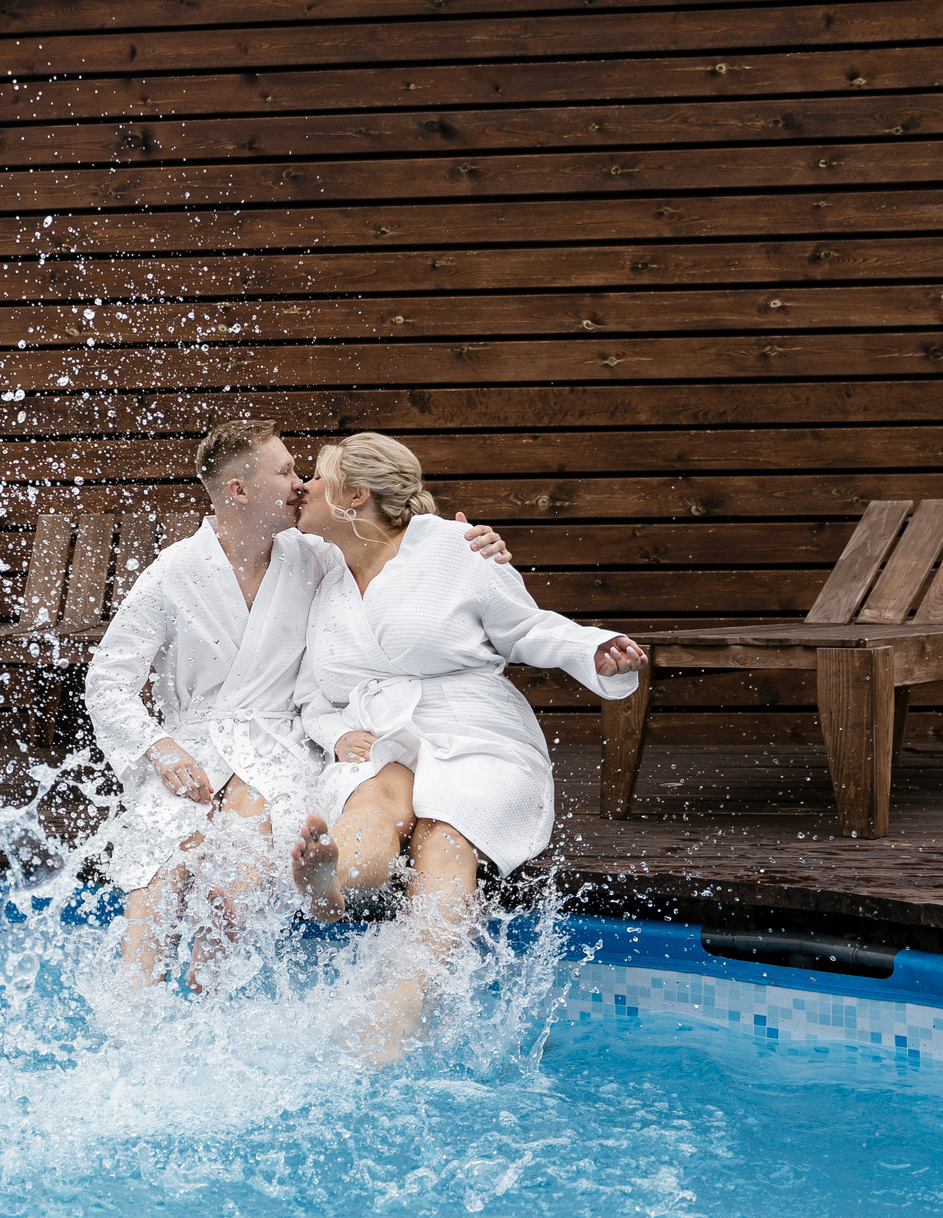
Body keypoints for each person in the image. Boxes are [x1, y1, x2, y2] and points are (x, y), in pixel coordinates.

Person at [81, 420, 510, 987]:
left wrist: (467, 546)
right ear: (237, 491)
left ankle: (207, 1016)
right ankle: (132, 1023)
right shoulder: (173, 575)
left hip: (278, 745)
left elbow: (392, 556)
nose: (301, 483)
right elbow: (107, 680)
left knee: (231, 895)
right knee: (160, 874)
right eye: (285, 470)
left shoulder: (315, 557)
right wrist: (160, 749)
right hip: (191, 749)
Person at [285, 432, 646, 1060]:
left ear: (354, 496)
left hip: (475, 729)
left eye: (316, 476)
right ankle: (330, 881)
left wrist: (595, 650)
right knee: (374, 806)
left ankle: (405, 994)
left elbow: (527, 628)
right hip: (378, 733)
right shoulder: (321, 571)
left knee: (444, 840)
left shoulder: (456, 548)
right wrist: (337, 734)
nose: (304, 487)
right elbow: (315, 695)